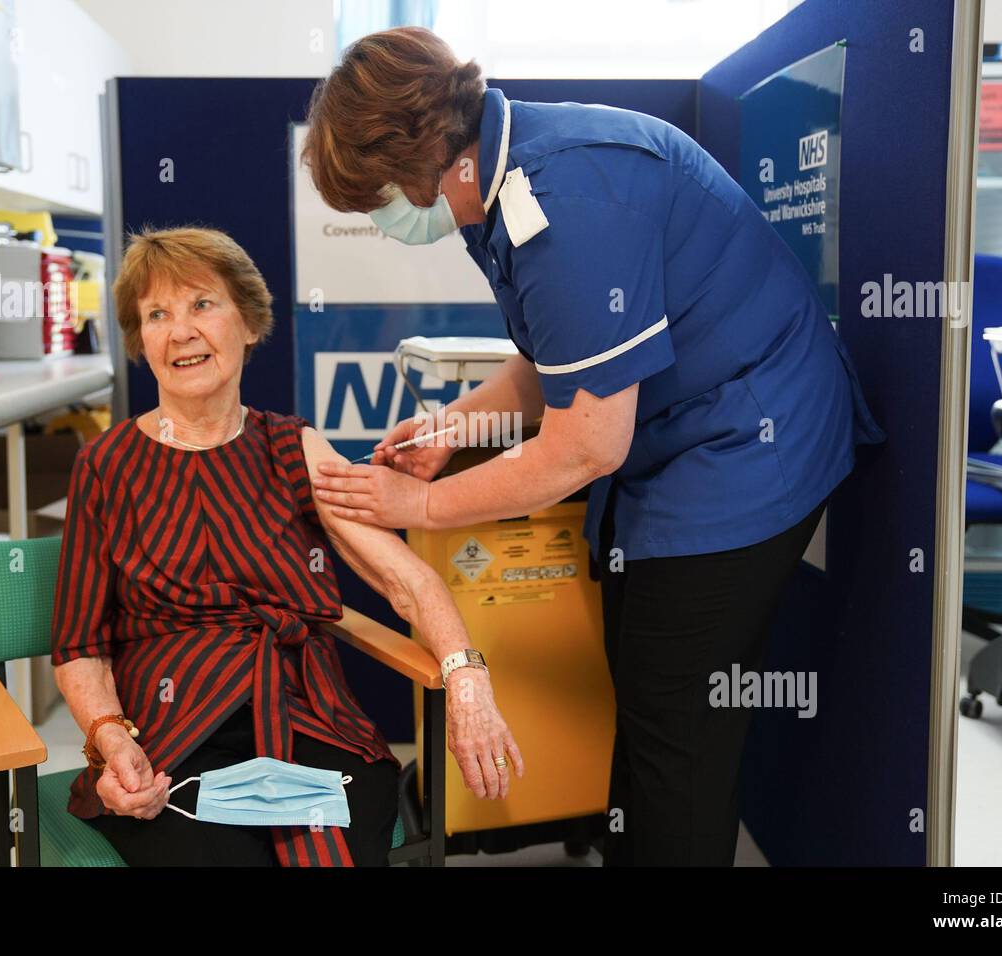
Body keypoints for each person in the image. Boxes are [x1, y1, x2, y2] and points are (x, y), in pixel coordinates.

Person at [301, 27, 885, 866]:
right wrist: (451, 429)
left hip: (751, 443)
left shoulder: (570, 197)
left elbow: (583, 449)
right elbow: (554, 362)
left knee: (676, 727)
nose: (385, 222)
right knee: (649, 696)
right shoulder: (495, 181)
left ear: (426, 153)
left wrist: (419, 505)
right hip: (679, 438)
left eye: (380, 199)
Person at [51, 226, 523, 867]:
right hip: (168, 731)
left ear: (248, 323)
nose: (180, 331)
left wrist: (468, 684)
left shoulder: (293, 448)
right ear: (142, 342)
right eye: (157, 314)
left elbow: (409, 581)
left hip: (305, 716)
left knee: (338, 844)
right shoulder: (104, 467)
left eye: (201, 305)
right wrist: (109, 738)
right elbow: (79, 645)